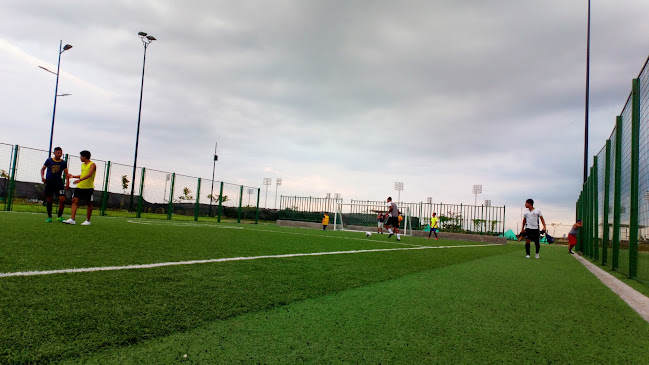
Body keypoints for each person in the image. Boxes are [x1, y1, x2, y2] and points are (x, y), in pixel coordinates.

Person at [64, 150, 97, 226]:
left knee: (89, 203)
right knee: (74, 200)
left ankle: (88, 220)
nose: (80, 158)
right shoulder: (82, 165)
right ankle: (72, 219)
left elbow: (89, 175)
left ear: (84, 156)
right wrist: (73, 176)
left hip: (88, 187)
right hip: (80, 187)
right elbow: (82, 175)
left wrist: (80, 180)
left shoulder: (92, 165)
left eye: (81, 156)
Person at [40, 147, 70, 222]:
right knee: (49, 199)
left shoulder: (63, 162)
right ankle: (49, 216)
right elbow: (42, 169)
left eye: (61, 153)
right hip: (49, 183)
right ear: (54, 153)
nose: (59, 154)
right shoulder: (49, 160)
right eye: (58, 153)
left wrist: (68, 183)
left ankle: (59, 216)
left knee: (62, 199)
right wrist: (43, 177)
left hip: (59, 183)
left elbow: (66, 173)